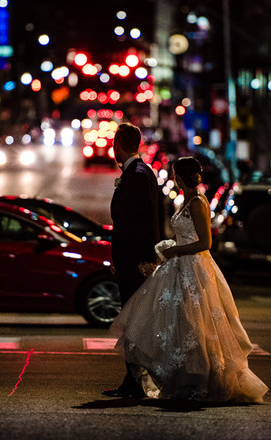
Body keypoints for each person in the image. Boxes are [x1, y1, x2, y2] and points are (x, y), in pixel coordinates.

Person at [108, 156, 268, 403]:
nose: (173, 178)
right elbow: (183, 235)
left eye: (174, 174)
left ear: (179, 177)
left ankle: (200, 381)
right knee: (178, 325)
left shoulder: (197, 202)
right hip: (178, 265)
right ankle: (182, 377)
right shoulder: (186, 200)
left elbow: (205, 243)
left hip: (193, 268)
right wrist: (164, 253)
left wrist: (174, 251)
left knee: (195, 324)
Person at [101, 123, 163, 399]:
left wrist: (143, 260)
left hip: (135, 263)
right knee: (134, 322)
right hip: (131, 260)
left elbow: (142, 223)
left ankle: (136, 380)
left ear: (118, 145)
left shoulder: (136, 175)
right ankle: (133, 378)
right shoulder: (141, 173)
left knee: (134, 322)